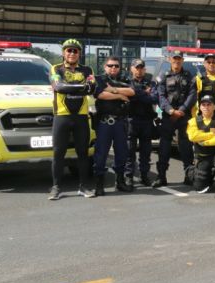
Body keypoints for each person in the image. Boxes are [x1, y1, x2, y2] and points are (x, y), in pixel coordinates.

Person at [48, 38, 95, 200]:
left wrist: (72, 88)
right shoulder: (56, 68)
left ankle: (83, 186)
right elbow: (59, 87)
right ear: (63, 53)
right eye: (69, 50)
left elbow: (92, 88)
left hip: (81, 117)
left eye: (75, 51)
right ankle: (56, 187)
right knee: (58, 153)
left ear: (79, 54)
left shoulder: (87, 69)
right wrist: (82, 88)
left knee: (83, 153)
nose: (72, 53)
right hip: (61, 116)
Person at [92, 56, 135, 196]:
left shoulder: (125, 79)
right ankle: (99, 185)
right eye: (110, 65)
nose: (113, 68)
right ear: (105, 67)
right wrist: (119, 95)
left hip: (120, 122)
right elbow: (100, 94)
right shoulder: (99, 79)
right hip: (104, 123)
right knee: (101, 154)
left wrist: (112, 89)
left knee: (122, 153)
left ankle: (120, 182)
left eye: (116, 66)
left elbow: (131, 92)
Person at [153, 49, 197, 187]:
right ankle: (161, 177)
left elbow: (192, 94)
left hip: (184, 116)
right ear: (169, 60)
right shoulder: (163, 76)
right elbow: (161, 95)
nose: (176, 61)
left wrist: (182, 109)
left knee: (186, 147)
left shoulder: (189, 76)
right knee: (164, 147)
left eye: (179, 59)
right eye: (174, 59)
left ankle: (189, 176)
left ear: (182, 60)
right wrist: (170, 110)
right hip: (168, 116)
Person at [187, 95, 215, 197]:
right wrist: (211, 135)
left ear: (214, 107)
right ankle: (209, 175)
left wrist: (205, 142)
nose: (206, 107)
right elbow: (192, 136)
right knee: (200, 189)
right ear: (200, 107)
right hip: (203, 156)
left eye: (209, 105)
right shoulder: (193, 121)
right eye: (204, 105)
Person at [125, 58, 157, 187]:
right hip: (131, 120)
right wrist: (144, 93)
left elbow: (154, 99)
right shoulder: (126, 82)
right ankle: (129, 177)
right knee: (129, 151)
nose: (139, 70)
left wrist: (135, 95)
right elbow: (127, 97)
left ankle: (144, 176)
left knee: (146, 152)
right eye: (136, 67)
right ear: (131, 69)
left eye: (141, 68)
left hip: (147, 121)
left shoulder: (151, 82)